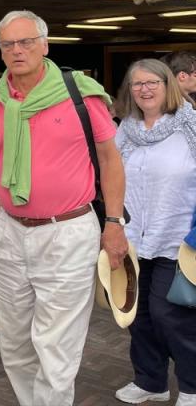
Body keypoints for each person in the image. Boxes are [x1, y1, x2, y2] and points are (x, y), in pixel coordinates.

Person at [0, 9, 129, 406]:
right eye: (8, 44)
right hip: (10, 230)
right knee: (16, 340)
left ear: (45, 46)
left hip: (68, 230)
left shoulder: (81, 96)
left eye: (26, 42)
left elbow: (110, 161)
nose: (17, 51)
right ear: (0, 52)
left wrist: (114, 222)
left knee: (55, 343)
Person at [113, 59, 196, 406]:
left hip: (177, 237)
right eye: (137, 84)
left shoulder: (189, 126)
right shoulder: (125, 130)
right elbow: (111, 178)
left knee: (171, 315)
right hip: (131, 239)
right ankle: (151, 381)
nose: (144, 89)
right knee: (136, 313)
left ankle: (191, 386)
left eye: (152, 83)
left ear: (168, 86)